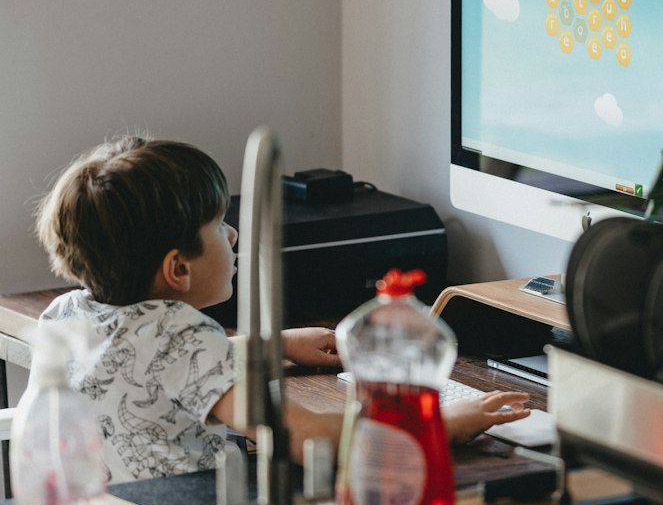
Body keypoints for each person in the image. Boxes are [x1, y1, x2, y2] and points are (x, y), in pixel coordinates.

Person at [30, 136, 530, 482]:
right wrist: (443, 423)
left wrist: (273, 345)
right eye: (218, 225)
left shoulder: (66, 314)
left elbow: (145, 362)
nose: (233, 234)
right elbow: (307, 437)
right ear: (177, 269)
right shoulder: (183, 335)